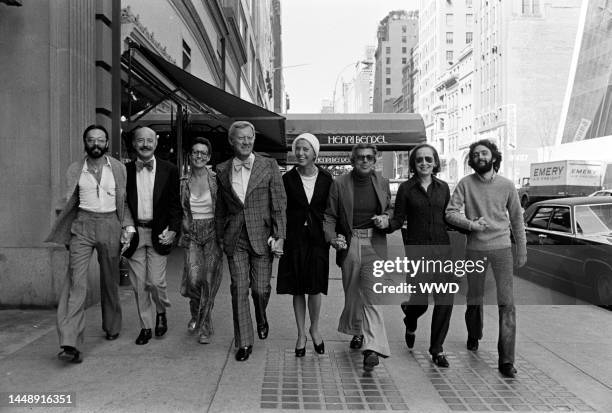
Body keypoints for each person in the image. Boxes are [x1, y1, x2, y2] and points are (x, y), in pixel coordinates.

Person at [46, 124, 134, 363]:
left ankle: (112, 325)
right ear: (85, 143)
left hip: (110, 224)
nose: (96, 144)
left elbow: (123, 201)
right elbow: (68, 201)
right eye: (91, 140)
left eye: (100, 140)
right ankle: (70, 341)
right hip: (82, 225)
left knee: (109, 281)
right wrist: (64, 229)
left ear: (107, 143)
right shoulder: (75, 169)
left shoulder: (117, 168)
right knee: (77, 283)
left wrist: (127, 226)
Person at [445, 139, 527, 378]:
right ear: (472, 160)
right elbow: (450, 213)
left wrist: (521, 248)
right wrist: (471, 224)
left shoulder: (507, 185)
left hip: (502, 249)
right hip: (475, 249)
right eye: (476, 154)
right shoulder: (465, 184)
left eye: (484, 153)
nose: (480, 157)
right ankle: (474, 333)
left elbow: (516, 220)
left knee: (507, 303)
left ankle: (506, 360)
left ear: (494, 157)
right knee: (474, 298)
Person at [215, 120, 287, 362]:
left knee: (260, 289)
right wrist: (219, 238)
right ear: (231, 141)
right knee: (238, 289)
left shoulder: (269, 165)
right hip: (235, 238)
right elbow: (221, 209)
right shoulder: (222, 169)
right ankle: (244, 341)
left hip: (262, 237)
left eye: (249, 137)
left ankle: (261, 314)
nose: (246, 142)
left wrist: (280, 236)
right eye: (240, 138)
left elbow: (279, 204)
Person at [323, 143, 393, 371]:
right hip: (350, 243)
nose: (365, 161)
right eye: (360, 157)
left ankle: (372, 348)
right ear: (353, 161)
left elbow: (391, 209)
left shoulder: (382, 182)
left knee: (372, 295)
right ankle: (357, 331)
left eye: (369, 157)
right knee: (353, 293)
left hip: (375, 243)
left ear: (375, 160)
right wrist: (333, 238)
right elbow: (330, 216)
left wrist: (386, 218)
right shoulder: (340, 183)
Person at [389, 143, 454, 368]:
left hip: (443, 252)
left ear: (435, 162)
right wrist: (383, 223)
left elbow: (449, 218)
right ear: (414, 164)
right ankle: (410, 315)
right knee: (421, 302)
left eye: (428, 159)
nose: (424, 163)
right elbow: (397, 220)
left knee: (445, 301)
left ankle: (437, 349)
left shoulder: (444, 188)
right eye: (419, 160)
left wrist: (471, 225)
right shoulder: (406, 189)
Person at [123, 126, 181, 345]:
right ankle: (145, 326)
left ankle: (161, 311)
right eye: (140, 140)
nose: (145, 144)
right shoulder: (124, 171)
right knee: (139, 285)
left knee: (155, 283)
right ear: (134, 144)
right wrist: (125, 228)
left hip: (159, 234)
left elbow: (176, 205)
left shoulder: (170, 169)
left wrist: (173, 229)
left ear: (156, 143)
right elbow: (122, 203)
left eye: (149, 140)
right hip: (135, 233)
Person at [277, 133, 333, 357]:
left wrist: (335, 236)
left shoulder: (327, 179)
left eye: (305, 149)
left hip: (319, 240)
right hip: (295, 240)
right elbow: (280, 210)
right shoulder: (286, 180)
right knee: (298, 288)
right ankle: (301, 333)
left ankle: (315, 328)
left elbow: (332, 211)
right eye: (297, 148)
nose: (300, 153)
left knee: (315, 287)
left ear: (314, 153)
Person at [179, 137, 223, 344]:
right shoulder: (182, 182)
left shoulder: (217, 180)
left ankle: (204, 324)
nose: (199, 156)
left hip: (213, 233)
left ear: (209, 157)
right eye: (195, 152)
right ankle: (196, 313)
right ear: (190, 155)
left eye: (203, 153)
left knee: (209, 280)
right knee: (194, 281)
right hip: (192, 234)